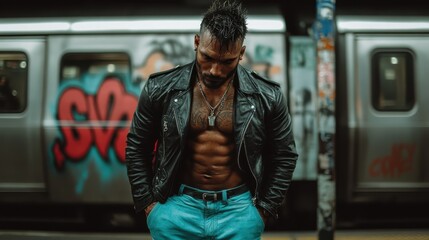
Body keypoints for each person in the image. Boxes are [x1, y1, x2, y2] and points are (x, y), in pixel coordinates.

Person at [125, 0, 298, 239]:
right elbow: (137, 146)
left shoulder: (266, 96)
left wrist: (263, 211)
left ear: (241, 54)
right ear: (197, 43)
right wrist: (149, 206)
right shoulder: (161, 88)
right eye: (208, 57)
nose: (215, 70)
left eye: (227, 61)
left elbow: (285, 156)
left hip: (238, 212)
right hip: (176, 209)